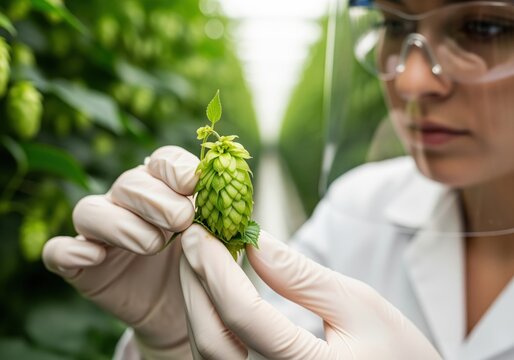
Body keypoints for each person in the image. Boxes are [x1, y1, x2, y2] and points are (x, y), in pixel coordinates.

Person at [42, 0, 514, 359]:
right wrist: (171, 342)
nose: (411, 82)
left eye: (484, 28)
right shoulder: (357, 207)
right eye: (392, 25)